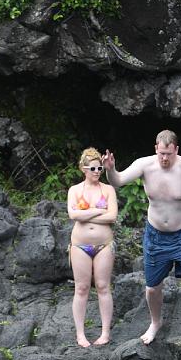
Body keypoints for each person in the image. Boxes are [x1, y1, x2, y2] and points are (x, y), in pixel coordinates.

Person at [102, 129, 181, 345]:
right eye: (161, 153)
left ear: (176, 150)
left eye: (168, 154)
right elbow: (118, 181)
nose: (165, 158)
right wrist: (110, 169)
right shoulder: (145, 165)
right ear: (155, 149)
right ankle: (155, 322)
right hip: (156, 235)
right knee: (152, 287)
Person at [67, 148, 118, 347]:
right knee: (81, 288)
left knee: (103, 286)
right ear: (83, 169)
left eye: (100, 168)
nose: (97, 171)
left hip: (104, 244)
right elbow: (73, 215)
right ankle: (80, 334)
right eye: (93, 168)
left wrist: (86, 212)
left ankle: (105, 333)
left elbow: (112, 216)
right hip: (80, 245)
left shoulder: (108, 190)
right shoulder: (75, 190)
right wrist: (98, 210)